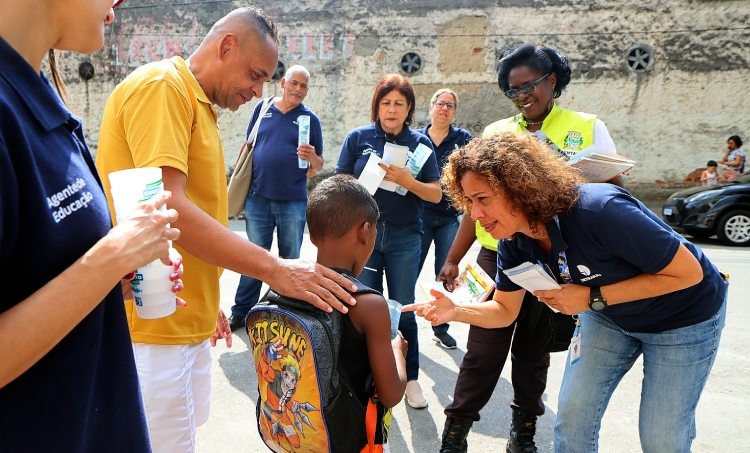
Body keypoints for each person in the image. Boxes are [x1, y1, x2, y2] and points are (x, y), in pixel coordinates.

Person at [95, 8, 357, 452]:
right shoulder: (164, 88)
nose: (258, 92)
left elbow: (192, 215)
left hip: (184, 318)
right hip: (155, 326)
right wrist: (275, 268)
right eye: (255, 75)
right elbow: (168, 207)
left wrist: (208, 297)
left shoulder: (196, 103)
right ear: (226, 46)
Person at [407, 132, 728, 453]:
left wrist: (591, 298)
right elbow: (505, 311)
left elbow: (688, 272)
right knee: (572, 423)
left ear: (519, 188)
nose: (474, 215)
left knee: (662, 439)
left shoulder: (599, 210)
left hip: (683, 319)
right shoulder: (514, 242)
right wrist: (457, 311)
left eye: (483, 199)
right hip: (609, 319)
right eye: (469, 201)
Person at [0, 0, 182, 451]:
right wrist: (113, 256)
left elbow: (32, 275)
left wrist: (110, 280)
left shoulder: (34, 90)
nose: (113, 11)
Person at [437, 44, 623, 453]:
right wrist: (453, 256)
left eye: (530, 85)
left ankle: (522, 435)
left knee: (533, 354)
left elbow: (615, 193)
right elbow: (474, 203)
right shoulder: (496, 133)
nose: (523, 95)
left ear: (552, 81)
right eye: (512, 90)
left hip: (554, 258)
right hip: (497, 255)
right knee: (482, 352)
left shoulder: (588, 127)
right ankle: (455, 435)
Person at [335, 74, 442, 409]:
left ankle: (409, 378)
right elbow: (338, 183)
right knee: (363, 305)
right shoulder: (359, 137)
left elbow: (437, 194)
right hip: (363, 235)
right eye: (386, 102)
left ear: (409, 108)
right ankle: (364, 376)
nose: (391, 109)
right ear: (376, 106)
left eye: (399, 103)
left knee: (403, 306)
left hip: (405, 237)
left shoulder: (422, 145)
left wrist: (408, 180)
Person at [306, 174, 408, 451]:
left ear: (312, 233)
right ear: (365, 231)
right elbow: (392, 393)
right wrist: (397, 349)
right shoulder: (369, 304)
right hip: (350, 438)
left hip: (298, 432)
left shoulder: (287, 287)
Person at [230, 64, 324, 330]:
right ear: (283, 83)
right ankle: (242, 311)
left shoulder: (310, 120)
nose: (298, 89)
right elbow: (248, 146)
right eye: (294, 83)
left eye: (303, 86)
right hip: (258, 197)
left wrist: (312, 158)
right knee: (253, 258)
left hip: (293, 200)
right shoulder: (262, 109)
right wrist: (238, 179)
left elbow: (318, 165)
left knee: (289, 261)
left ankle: (286, 313)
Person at [416, 88, 473, 349]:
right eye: (440, 103)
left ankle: (440, 326)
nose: (444, 108)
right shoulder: (416, 139)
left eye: (450, 105)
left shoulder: (463, 140)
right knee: (409, 271)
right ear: (430, 107)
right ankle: (403, 326)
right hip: (419, 217)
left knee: (446, 272)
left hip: (449, 217)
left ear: (454, 112)